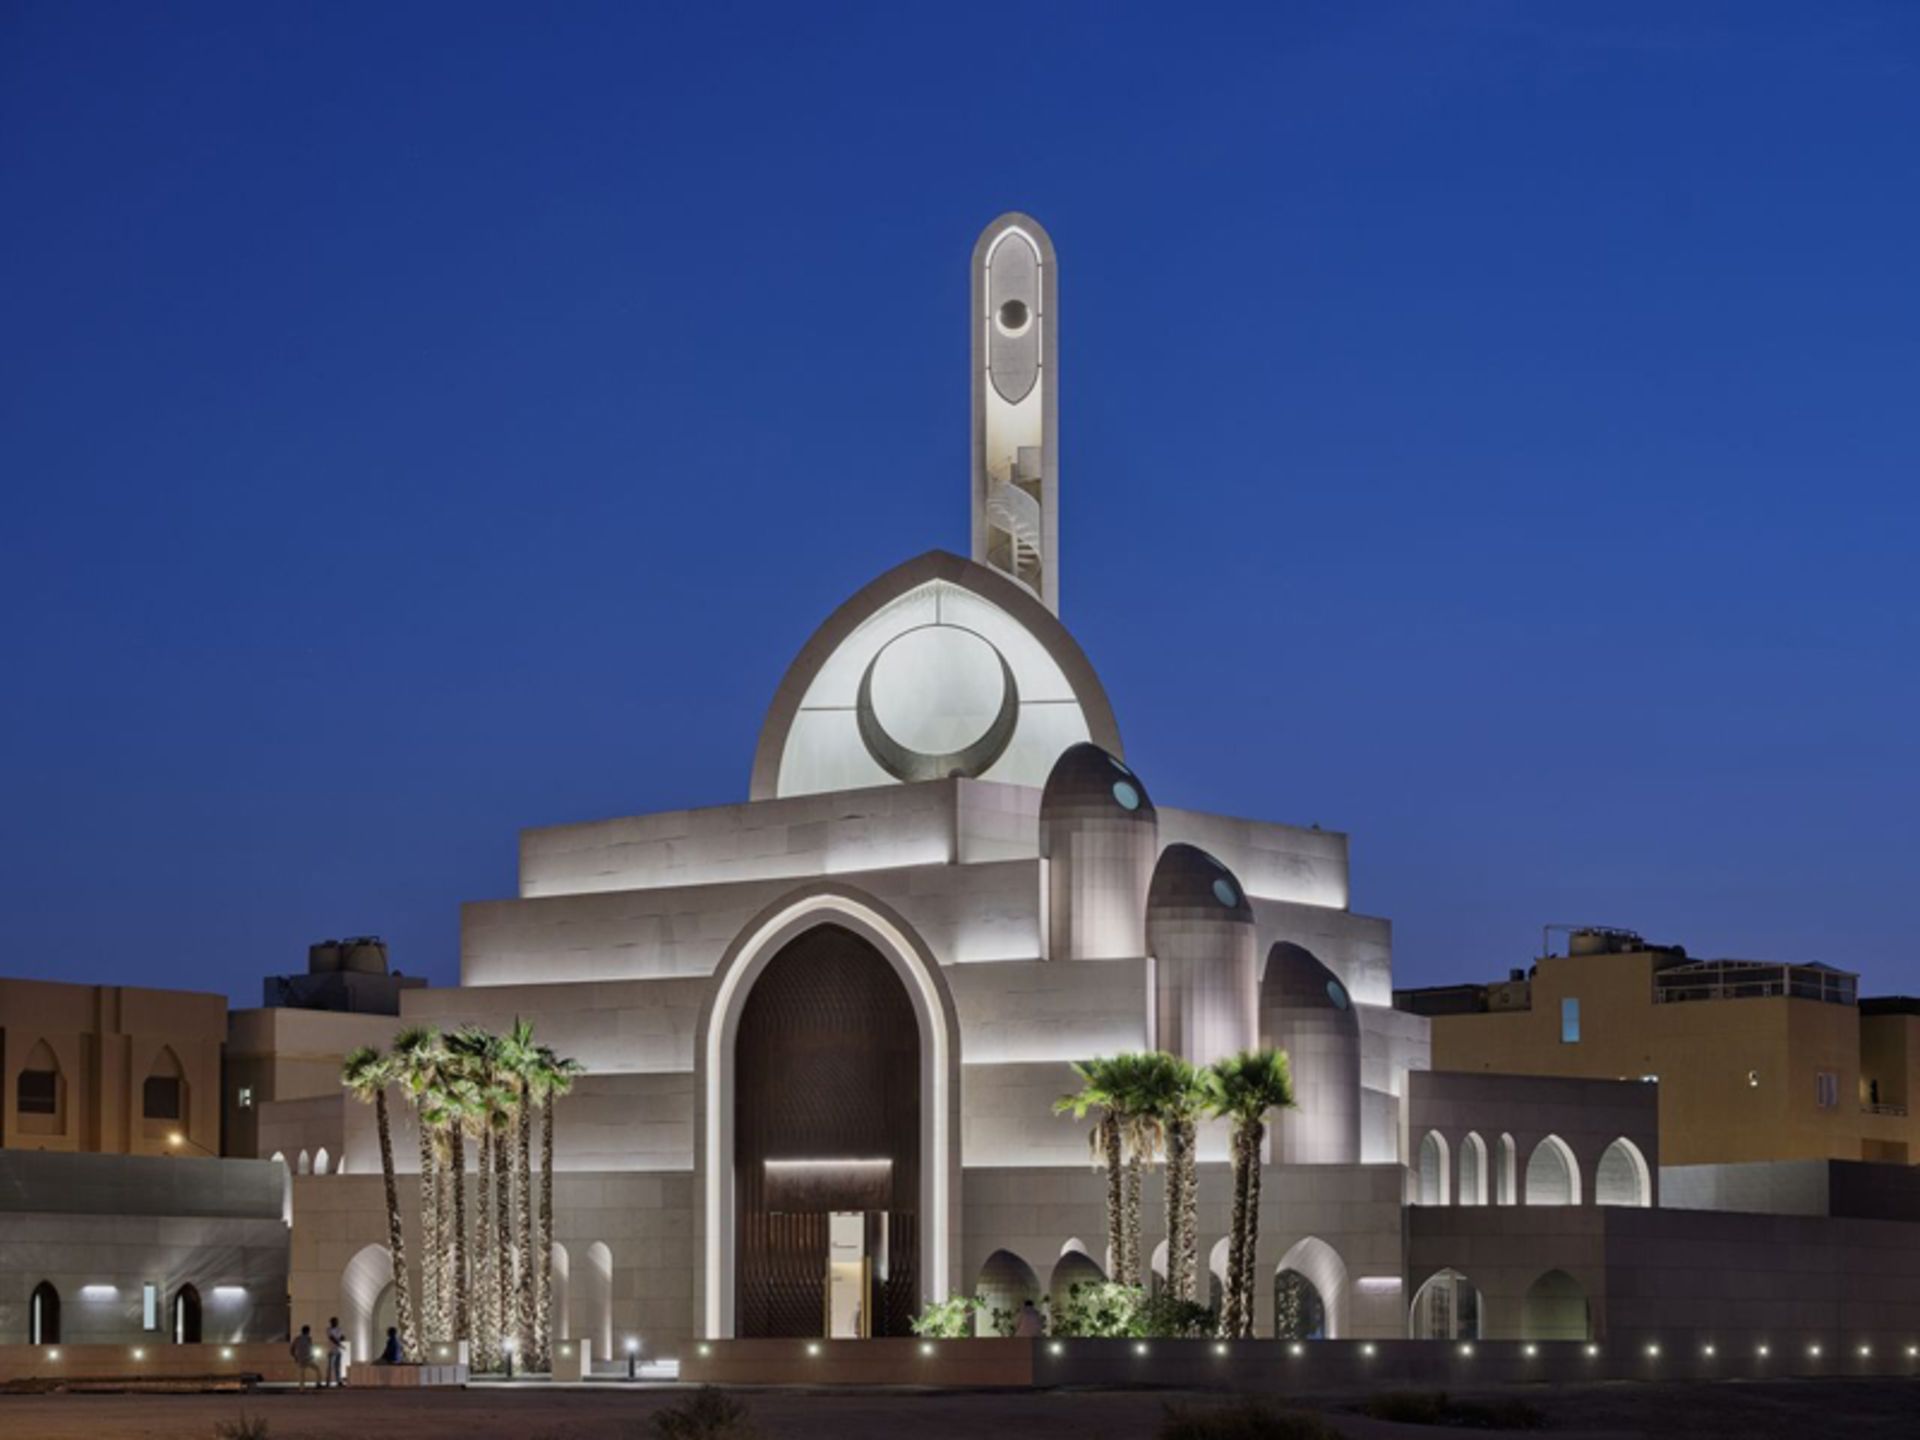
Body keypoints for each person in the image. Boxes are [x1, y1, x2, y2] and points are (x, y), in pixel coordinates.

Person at [291, 1325, 320, 1390]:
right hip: (307, 1358)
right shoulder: (309, 1338)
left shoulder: (297, 1338)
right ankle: (318, 1383)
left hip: (300, 1359)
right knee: (317, 1369)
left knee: (301, 1374)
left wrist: (295, 1356)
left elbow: (292, 1348)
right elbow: (311, 1347)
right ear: (308, 1331)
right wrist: (312, 1355)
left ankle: (302, 1389)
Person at [326, 1316, 347, 1387]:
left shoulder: (339, 1329)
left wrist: (343, 1338)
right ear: (331, 1322)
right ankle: (328, 1382)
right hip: (332, 1350)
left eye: (337, 1321)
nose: (336, 1323)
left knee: (338, 1367)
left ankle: (339, 1381)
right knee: (330, 1367)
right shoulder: (329, 1330)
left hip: (338, 1351)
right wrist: (340, 1345)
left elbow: (341, 1337)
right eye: (335, 1321)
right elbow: (332, 1339)